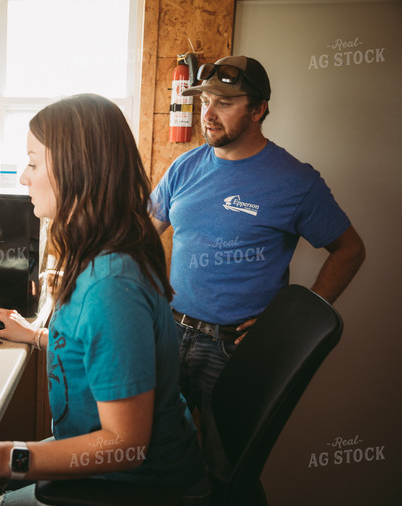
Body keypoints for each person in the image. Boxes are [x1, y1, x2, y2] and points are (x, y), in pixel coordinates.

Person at [0, 94, 209, 506]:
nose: (23, 178)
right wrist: (36, 337)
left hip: (134, 488)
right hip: (113, 471)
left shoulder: (111, 285)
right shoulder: (105, 251)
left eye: (32, 163)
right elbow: (107, 352)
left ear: (76, 170)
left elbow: (125, 443)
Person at [150, 55, 366, 482]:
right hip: (169, 334)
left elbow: (350, 250)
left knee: (224, 471)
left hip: (232, 350)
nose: (208, 114)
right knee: (160, 457)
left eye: (225, 103)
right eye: (205, 100)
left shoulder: (295, 181)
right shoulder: (184, 168)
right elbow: (139, 237)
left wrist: (288, 321)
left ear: (258, 109)